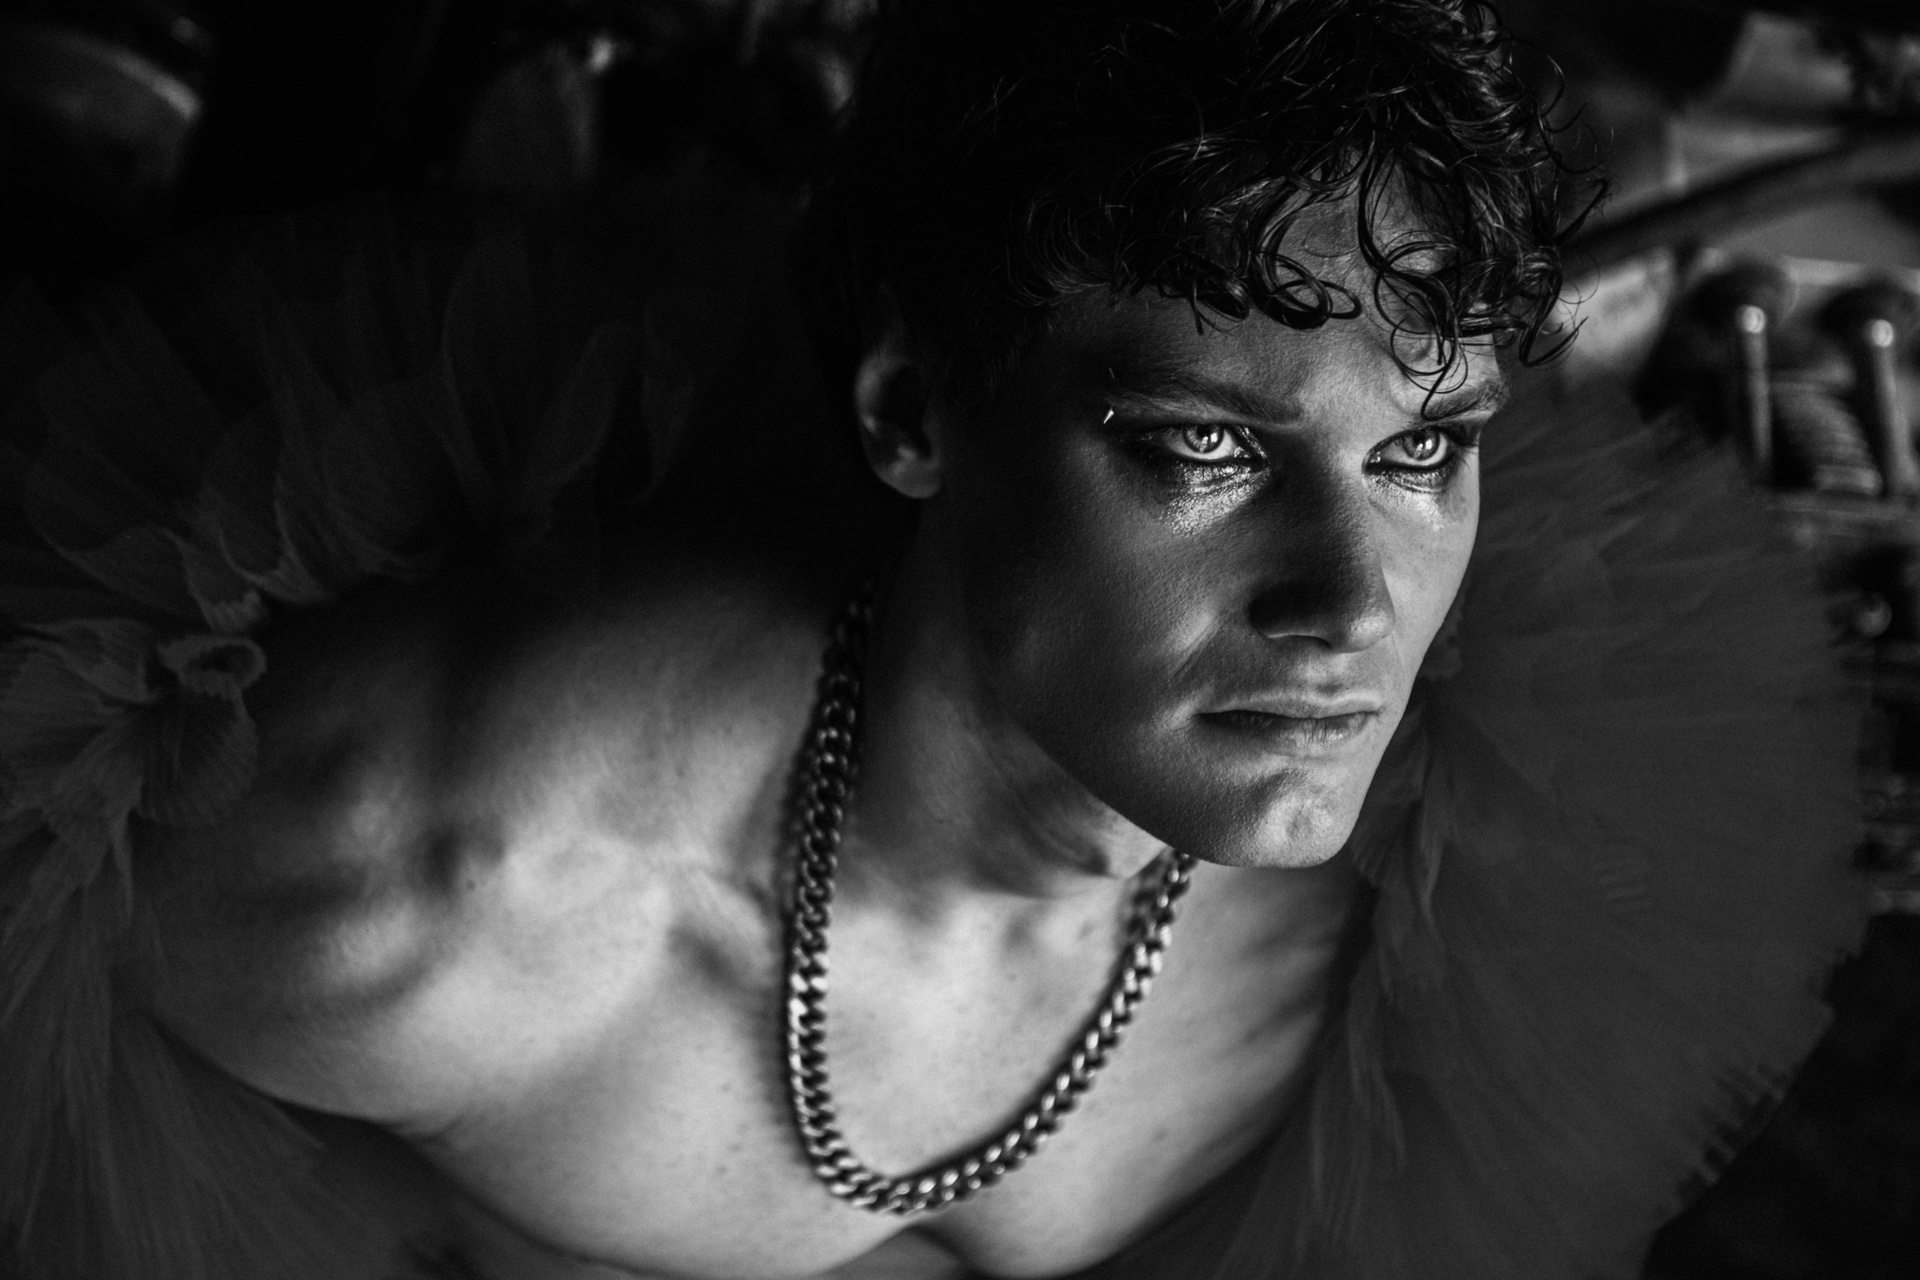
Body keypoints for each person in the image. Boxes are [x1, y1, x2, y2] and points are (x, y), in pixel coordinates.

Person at [0, 1, 1864, 1278]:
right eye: (1206, 450)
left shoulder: (1497, 891)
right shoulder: (386, 891)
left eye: (1423, 451)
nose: (1357, 607)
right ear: (912, 411)